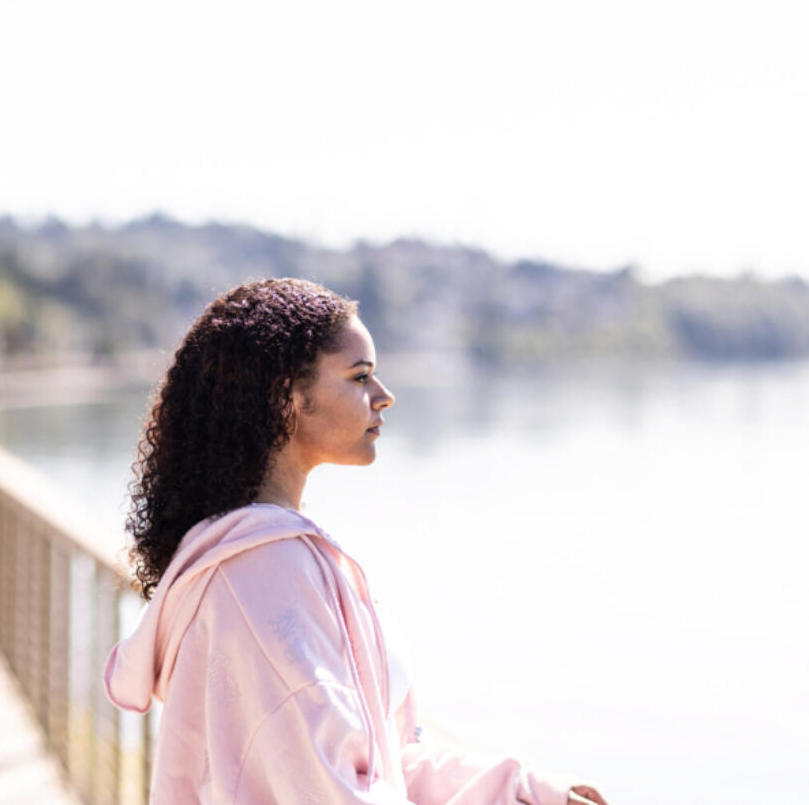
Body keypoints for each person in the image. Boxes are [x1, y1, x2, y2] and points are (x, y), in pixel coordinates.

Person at [104, 277, 609, 805]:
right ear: (287, 399)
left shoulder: (271, 556)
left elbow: (382, 759)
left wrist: (527, 793)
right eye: (360, 376)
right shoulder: (263, 577)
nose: (384, 396)